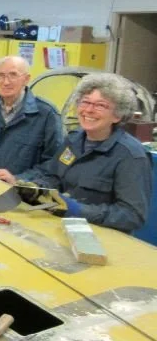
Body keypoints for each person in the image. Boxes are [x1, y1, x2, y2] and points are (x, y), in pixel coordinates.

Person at [13, 73, 152, 234]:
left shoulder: (131, 156)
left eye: (100, 105)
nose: (89, 110)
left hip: (103, 238)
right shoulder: (74, 141)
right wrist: (34, 187)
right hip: (61, 227)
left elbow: (132, 216)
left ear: (118, 115)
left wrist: (78, 209)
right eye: (85, 102)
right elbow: (54, 176)